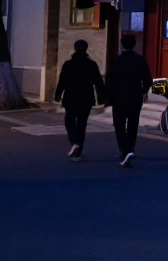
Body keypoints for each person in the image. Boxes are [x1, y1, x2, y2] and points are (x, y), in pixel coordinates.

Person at [104, 34, 152, 168]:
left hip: (119, 98)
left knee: (119, 126)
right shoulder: (140, 60)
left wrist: (108, 97)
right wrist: (144, 92)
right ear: (134, 44)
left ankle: (124, 150)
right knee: (133, 124)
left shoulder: (116, 61)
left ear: (122, 44)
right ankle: (130, 148)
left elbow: (109, 80)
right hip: (135, 97)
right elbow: (147, 79)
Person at [54, 40, 105, 162]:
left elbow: (62, 81)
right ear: (86, 49)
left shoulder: (68, 64)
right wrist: (101, 98)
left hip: (70, 98)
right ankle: (78, 152)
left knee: (69, 121)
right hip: (86, 98)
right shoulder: (91, 64)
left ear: (75, 48)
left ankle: (74, 143)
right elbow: (98, 82)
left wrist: (58, 94)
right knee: (82, 124)